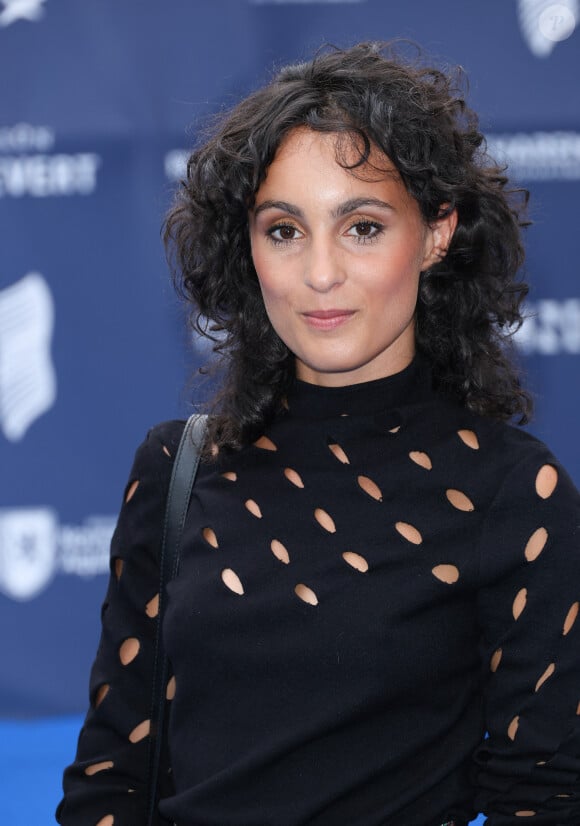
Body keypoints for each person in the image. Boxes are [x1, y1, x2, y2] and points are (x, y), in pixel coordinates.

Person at [57, 42, 580, 826]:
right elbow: (111, 779)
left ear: (438, 233)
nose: (321, 273)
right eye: (284, 230)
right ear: (250, 248)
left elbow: (543, 796)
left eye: (362, 227)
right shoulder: (177, 468)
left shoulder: (514, 494)